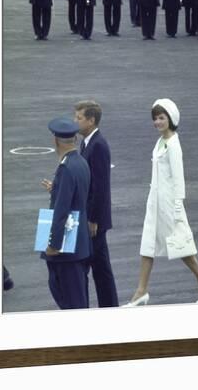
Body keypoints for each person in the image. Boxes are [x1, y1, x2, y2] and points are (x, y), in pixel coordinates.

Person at [124, 99, 198, 306]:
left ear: (171, 119)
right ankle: (141, 291)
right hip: (154, 202)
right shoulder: (160, 142)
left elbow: (178, 177)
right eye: (155, 118)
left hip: (169, 203)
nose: (157, 122)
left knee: (180, 245)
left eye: (162, 118)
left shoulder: (173, 143)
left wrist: (177, 204)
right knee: (148, 244)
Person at [40, 117, 92, 309]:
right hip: (81, 245)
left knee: (71, 304)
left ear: (55, 141)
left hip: (67, 250)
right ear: (75, 140)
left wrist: (53, 245)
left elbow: (61, 212)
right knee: (79, 300)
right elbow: (79, 196)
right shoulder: (81, 163)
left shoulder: (65, 168)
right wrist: (57, 189)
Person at [74, 101, 119, 308]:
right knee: (101, 267)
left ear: (91, 120)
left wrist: (93, 219)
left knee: (100, 268)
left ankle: (109, 307)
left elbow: (100, 187)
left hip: (94, 222)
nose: (76, 121)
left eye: (79, 118)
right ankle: (109, 307)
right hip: (91, 218)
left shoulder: (98, 145)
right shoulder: (86, 143)